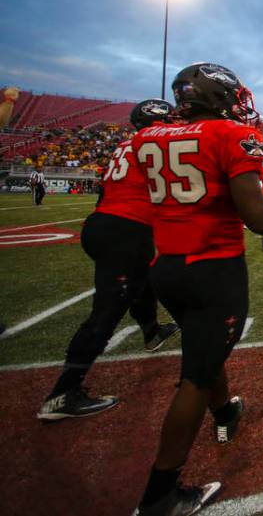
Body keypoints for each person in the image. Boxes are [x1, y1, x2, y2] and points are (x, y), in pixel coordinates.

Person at [132, 63, 263, 516]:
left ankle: (225, 411)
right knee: (197, 375)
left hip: (164, 264)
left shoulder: (144, 137)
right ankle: (160, 496)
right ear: (217, 96)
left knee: (203, 350)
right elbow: (257, 216)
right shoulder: (230, 135)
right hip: (212, 267)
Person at [37, 99, 180, 422]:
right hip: (126, 229)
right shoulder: (160, 142)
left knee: (143, 282)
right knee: (106, 312)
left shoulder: (126, 145)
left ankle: (152, 331)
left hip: (105, 223)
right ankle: (62, 393)